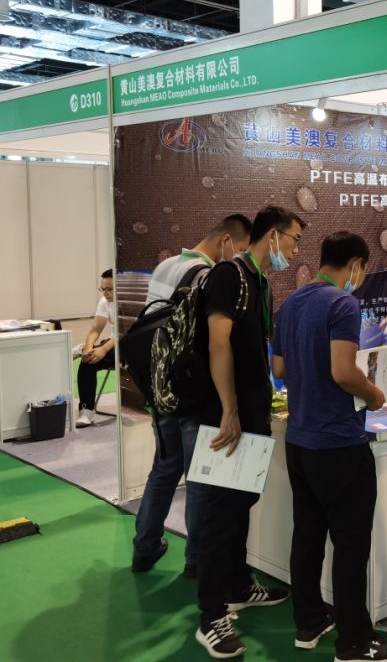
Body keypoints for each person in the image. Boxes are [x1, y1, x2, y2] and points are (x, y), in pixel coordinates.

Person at [271, 231, 387, 662]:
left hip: (300, 442)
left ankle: (309, 621)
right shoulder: (343, 303)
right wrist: (374, 394)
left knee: (307, 535)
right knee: (351, 544)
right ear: (356, 264)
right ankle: (354, 642)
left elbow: (279, 368)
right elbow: (343, 372)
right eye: (363, 269)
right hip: (339, 444)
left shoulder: (290, 303)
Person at [194, 205, 304, 659]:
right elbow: (217, 343)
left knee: (242, 505)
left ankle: (237, 586)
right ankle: (210, 616)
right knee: (220, 514)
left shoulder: (260, 281)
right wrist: (229, 408)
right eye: (294, 240)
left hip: (252, 414)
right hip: (227, 416)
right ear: (273, 235)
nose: (295, 251)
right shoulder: (229, 275)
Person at [131, 214, 252, 576]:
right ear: (225, 242)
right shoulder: (207, 275)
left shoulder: (165, 266)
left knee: (164, 468)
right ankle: (196, 560)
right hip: (190, 390)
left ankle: (144, 548)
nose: (237, 260)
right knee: (199, 479)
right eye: (239, 250)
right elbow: (214, 342)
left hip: (159, 388)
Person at [76, 269, 116, 426]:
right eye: (103, 289)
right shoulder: (104, 302)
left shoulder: (131, 301)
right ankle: (86, 411)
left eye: (110, 289)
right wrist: (88, 348)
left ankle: (86, 349)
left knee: (102, 351)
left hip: (131, 345)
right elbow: (95, 329)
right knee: (87, 361)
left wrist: (104, 349)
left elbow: (126, 332)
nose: (106, 293)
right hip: (113, 343)